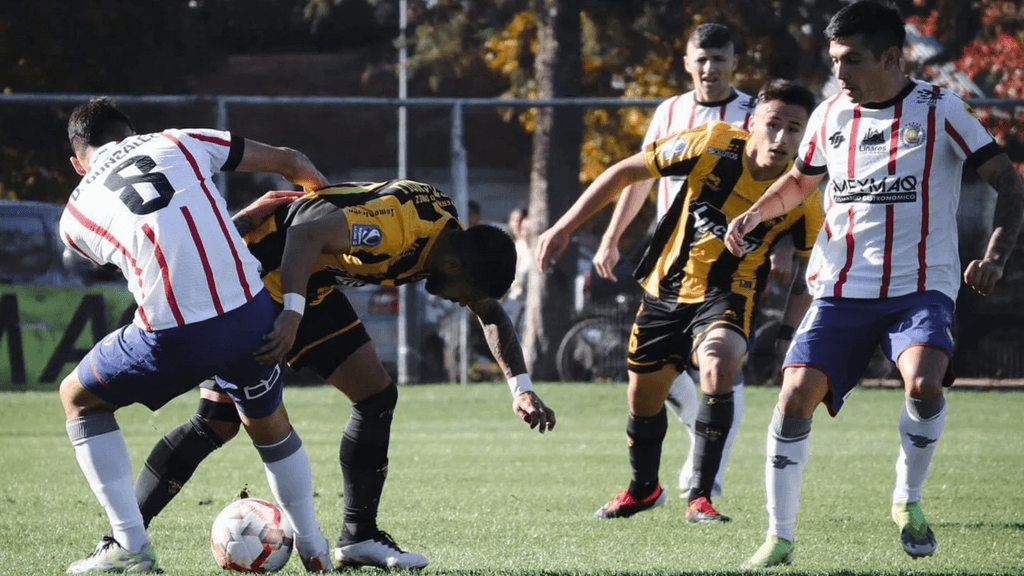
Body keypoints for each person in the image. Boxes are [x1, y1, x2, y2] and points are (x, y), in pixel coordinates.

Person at [118, 179, 557, 570]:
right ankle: (122, 542)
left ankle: (359, 536)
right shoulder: (397, 230)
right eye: (467, 297)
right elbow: (307, 230)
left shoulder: (450, 240)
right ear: (455, 267)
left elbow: (490, 311)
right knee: (216, 422)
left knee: (376, 396)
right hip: (253, 279)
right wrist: (291, 314)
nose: (465, 305)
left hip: (309, 282)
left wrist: (521, 388)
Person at [723, 1, 1024, 568]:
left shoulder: (943, 109)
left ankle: (907, 502)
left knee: (924, 382)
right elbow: (799, 183)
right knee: (793, 398)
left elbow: (1009, 184)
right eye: (835, 60)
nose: (840, 73)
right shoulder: (830, 115)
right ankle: (779, 537)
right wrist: (754, 215)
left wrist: (995, 255)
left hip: (920, 287)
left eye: (853, 61)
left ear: (891, 57)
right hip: (839, 290)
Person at [58, 98, 334, 573]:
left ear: (77, 162)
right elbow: (295, 162)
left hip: (175, 335)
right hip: (251, 315)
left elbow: (155, 242)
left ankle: (130, 547)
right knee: (269, 427)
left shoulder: (74, 214)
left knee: (78, 398)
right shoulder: (179, 139)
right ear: (130, 131)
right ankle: (314, 548)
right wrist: (315, 207)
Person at [536, 79, 821, 523]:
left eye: (795, 130)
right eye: (774, 125)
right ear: (753, 122)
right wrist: (565, 227)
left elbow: (806, 273)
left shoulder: (804, 194)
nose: (782, 139)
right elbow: (624, 172)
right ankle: (643, 489)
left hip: (729, 294)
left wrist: (787, 334)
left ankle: (701, 497)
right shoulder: (713, 144)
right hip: (666, 289)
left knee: (720, 360)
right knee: (642, 400)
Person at [592, 22, 762, 501]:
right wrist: (612, 236)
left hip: (730, 258)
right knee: (653, 369)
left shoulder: (754, 114)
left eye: (719, 59)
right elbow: (641, 178)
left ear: (734, 63)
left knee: (722, 362)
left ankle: (710, 476)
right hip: (670, 257)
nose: (709, 69)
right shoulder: (670, 111)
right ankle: (703, 436)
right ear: (687, 63)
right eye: (701, 60)